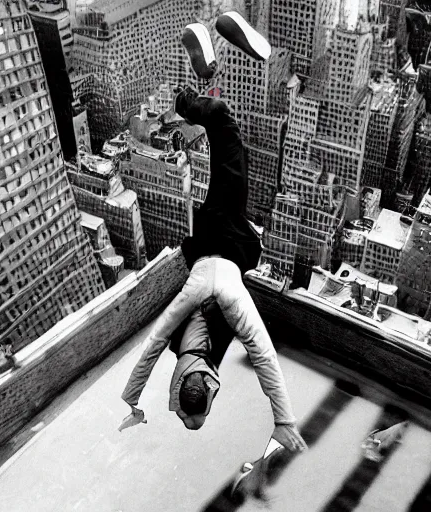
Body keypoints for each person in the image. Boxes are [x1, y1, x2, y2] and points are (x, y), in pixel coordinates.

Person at [119, 13, 307, 453]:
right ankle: (205, 65)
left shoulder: (229, 300)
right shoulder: (194, 318)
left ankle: (197, 78)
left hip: (225, 230)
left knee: (223, 126)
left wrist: (284, 419)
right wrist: (131, 401)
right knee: (224, 139)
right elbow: (151, 346)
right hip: (208, 241)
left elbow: (264, 355)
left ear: (200, 380)